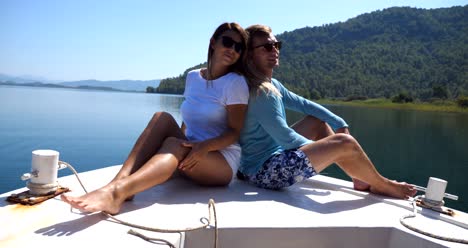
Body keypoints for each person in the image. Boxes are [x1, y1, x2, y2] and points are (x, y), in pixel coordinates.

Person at [61, 22, 250, 214]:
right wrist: (180, 145)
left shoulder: (235, 83)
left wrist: (204, 147)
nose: (232, 49)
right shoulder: (193, 77)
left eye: (238, 47)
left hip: (221, 161)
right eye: (227, 42)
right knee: (162, 117)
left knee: (174, 145)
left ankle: (116, 194)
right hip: (192, 149)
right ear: (213, 43)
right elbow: (189, 118)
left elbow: (235, 132)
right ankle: (117, 183)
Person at [238, 24, 416, 199]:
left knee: (317, 122)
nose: (274, 50)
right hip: (262, 172)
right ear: (250, 55)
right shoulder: (261, 92)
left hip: (271, 155)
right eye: (267, 47)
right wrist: (326, 148)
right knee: (344, 142)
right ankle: (383, 185)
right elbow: (284, 135)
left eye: (277, 45)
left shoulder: (273, 85)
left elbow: (304, 105)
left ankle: (359, 178)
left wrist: (339, 122)